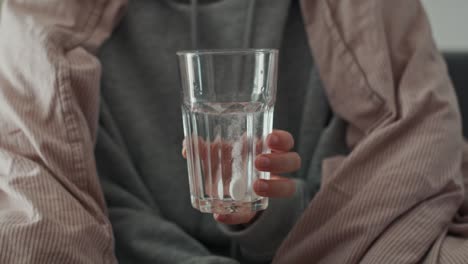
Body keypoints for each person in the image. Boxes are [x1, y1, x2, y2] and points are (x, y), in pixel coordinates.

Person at [0, 0, 468, 263]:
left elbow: (404, 176)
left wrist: (268, 209)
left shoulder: (369, 14)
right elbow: (61, 199)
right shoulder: (37, 25)